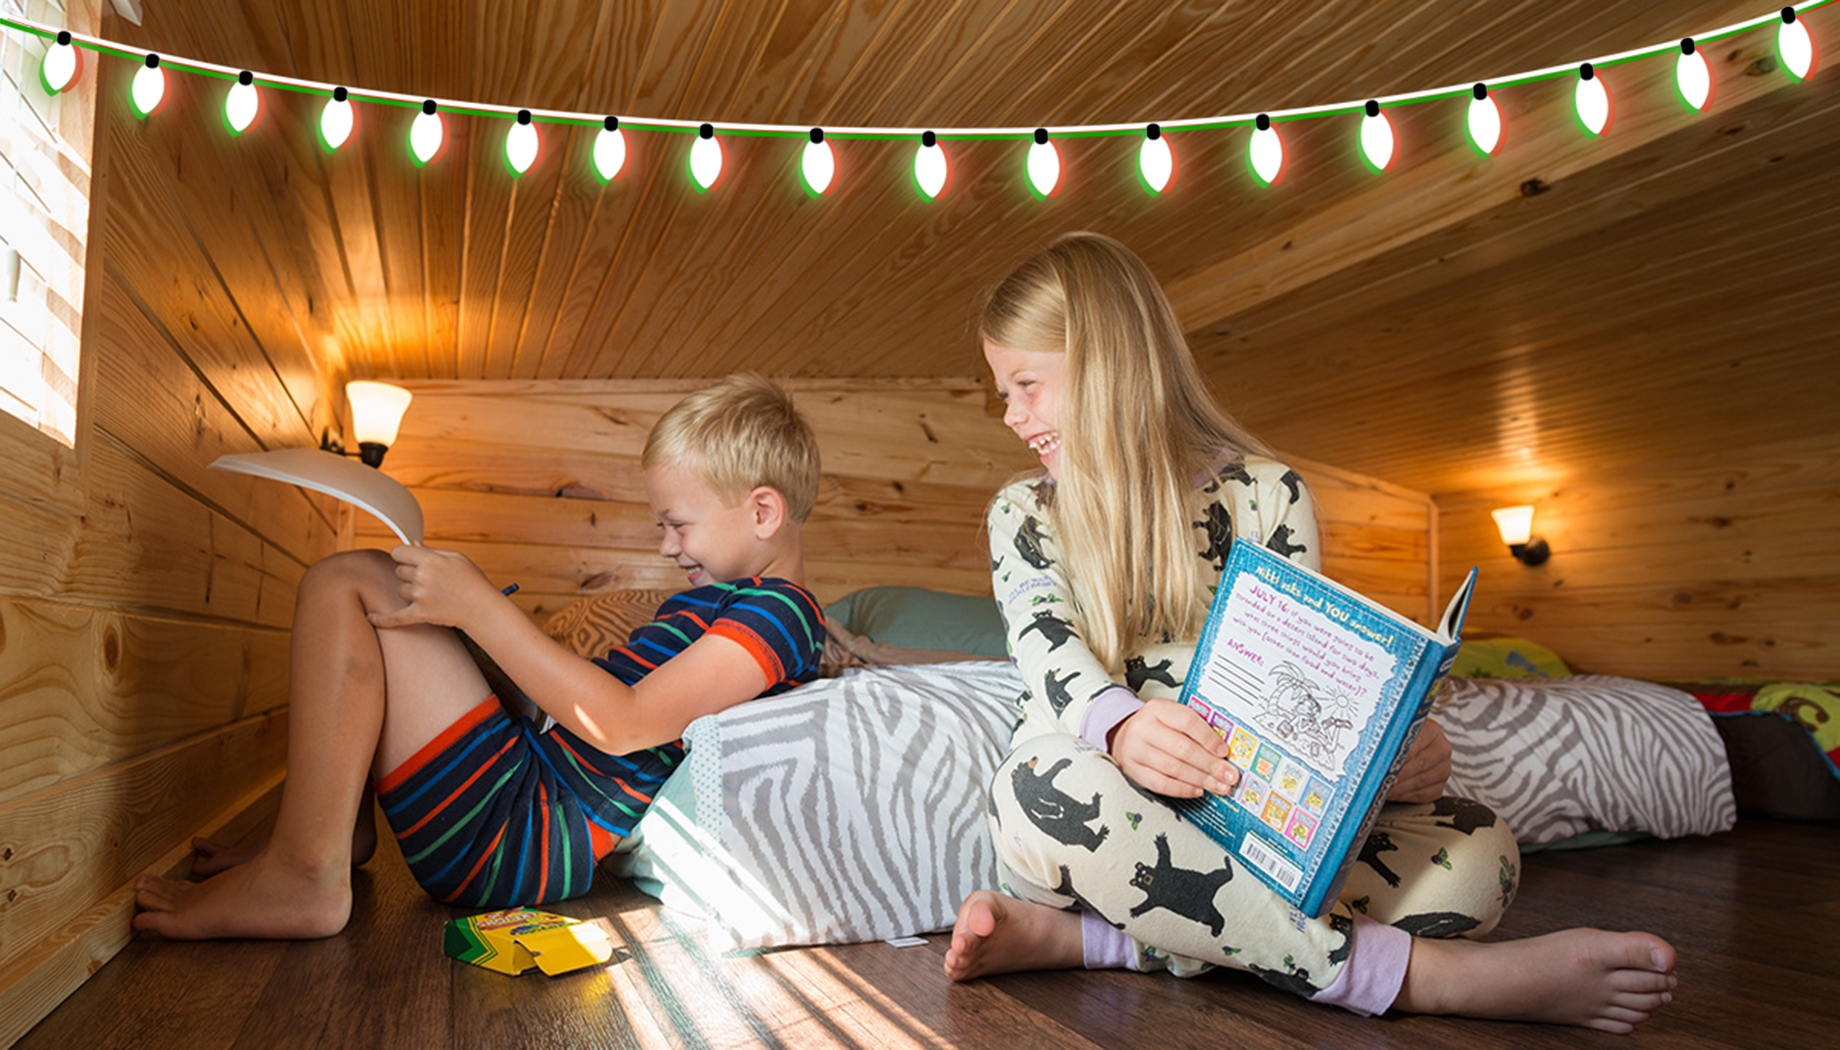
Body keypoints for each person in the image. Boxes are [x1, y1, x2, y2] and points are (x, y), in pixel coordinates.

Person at [943, 233, 1677, 1035]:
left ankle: (1106, 943)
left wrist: (1385, 759)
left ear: (1106, 364)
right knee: (1034, 789)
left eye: (1024, 386)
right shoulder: (1025, 512)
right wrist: (1119, 730)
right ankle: (1411, 979)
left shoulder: (1268, 492)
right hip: (1109, 818)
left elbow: (1311, 675)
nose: (1012, 417)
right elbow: (1044, 647)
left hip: (1260, 820)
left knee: (1481, 854)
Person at [134, 374, 826, 939]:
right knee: (381, 594)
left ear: (764, 513)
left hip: (524, 834)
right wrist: (478, 641)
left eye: (677, 524)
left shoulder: (784, 612)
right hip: (529, 787)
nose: (666, 547)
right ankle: (321, 838)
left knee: (348, 580)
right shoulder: (718, 603)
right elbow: (580, 718)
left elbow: (628, 724)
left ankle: (303, 874)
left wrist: (484, 613)